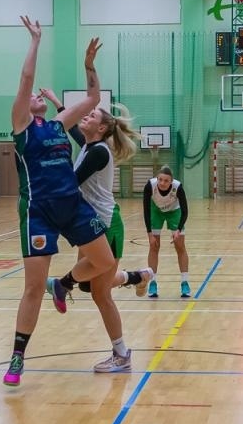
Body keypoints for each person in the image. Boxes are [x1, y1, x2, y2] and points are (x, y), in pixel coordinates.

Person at [4, 18, 118, 387]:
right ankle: (18, 356)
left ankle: (64, 283)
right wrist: (36, 41)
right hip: (38, 211)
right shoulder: (23, 125)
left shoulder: (58, 124)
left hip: (72, 206)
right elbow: (24, 81)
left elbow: (94, 98)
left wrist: (89, 66)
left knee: (105, 262)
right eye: (33, 97)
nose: (36, 95)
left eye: (40, 97)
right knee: (32, 288)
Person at [61, 99, 155, 372]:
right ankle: (137, 276)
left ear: (101, 128)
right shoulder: (91, 145)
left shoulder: (99, 153)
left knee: (100, 295)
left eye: (90, 115)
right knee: (89, 285)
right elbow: (73, 131)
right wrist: (58, 104)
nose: (85, 117)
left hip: (106, 225)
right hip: (90, 224)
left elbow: (73, 181)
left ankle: (121, 354)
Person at [142, 166, 191, 299]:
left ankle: (185, 282)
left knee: (180, 246)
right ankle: (153, 282)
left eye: (166, 180)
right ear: (157, 178)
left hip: (174, 211)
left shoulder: (178, 187)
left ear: (171, 181)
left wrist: (178, 230)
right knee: (154, 246)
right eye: (160, 180)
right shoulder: (149, 186)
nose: (162, 183)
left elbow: (185, 211)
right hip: (155, 211)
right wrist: (149, 234)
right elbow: (146, 211)